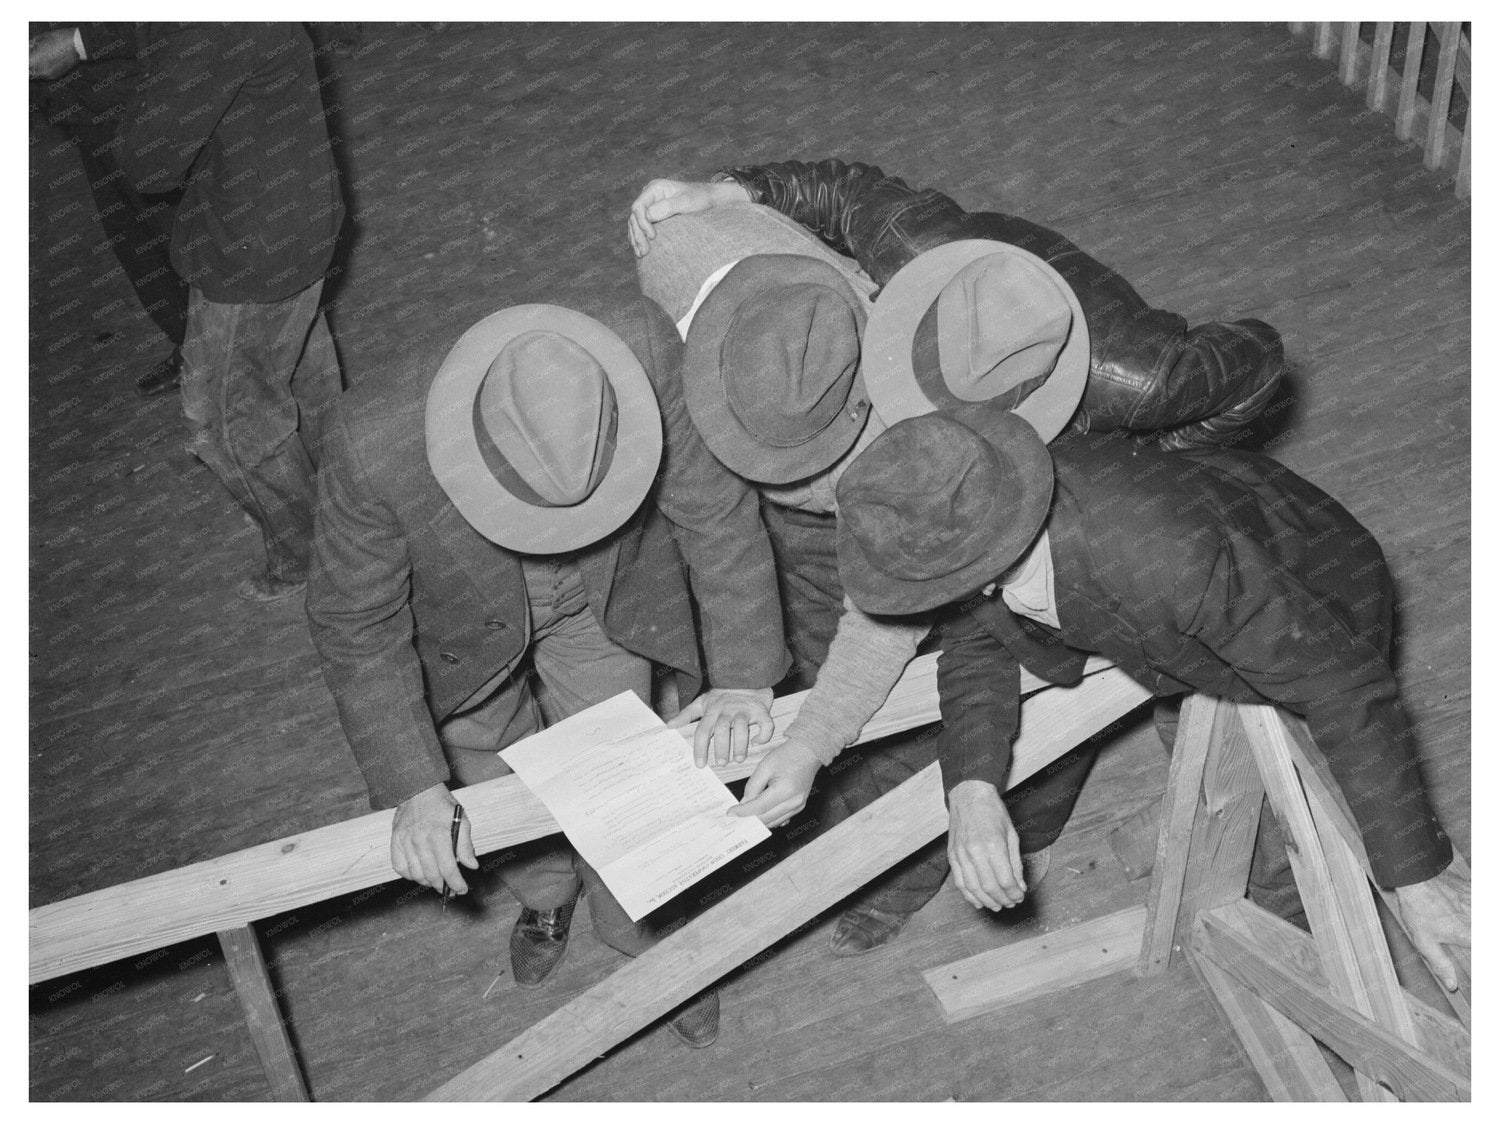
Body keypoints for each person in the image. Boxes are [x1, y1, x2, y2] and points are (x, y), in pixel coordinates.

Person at [815, 403, 1469, 991]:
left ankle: (1287, 935)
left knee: (1280, 822)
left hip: (1315, 588)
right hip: (1194, 612)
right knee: (1187, 728)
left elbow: (1344, 685)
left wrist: (1415, 874)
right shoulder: (985, 516)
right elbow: (977, 648)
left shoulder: (1170, 560)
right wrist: (972, 789)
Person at [639, 213, 1103, 954]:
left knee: (1016, 697)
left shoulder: (904, 448)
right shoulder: (681, 259)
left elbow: (885, 624)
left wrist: (814, 739)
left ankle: (949, 858)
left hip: (964, 527)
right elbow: (716, 517)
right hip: (849, 522)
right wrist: (731, 192)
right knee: (819, 658)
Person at [306, 302, 725, 1046]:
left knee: (614, 765)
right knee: (485, 777)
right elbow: (355, 623)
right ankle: (547, 892)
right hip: (455, 627)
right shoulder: (370, 440)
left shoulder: (643, 349)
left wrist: (744, 675)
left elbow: (715, 513)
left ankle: (644, 926)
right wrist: (413, 786)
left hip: (598, 594)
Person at [629, 157, 1285, 450]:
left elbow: (1262, 355)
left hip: (1101, 343)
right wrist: (730, 191)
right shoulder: (910, 240)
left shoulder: (1134, 381)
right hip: (974, 260)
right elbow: (845, 189)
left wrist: (1170, 450)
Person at [66, 23, 346, 601]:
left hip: (248, 251)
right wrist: (78, 43)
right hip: (302, 215)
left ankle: (309, 561)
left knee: (224, 426)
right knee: (308, 392)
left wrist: (119, 93)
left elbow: (146, 163)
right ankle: (359, 518)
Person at [29, 23, 189, 397]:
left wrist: (79, 42)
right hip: (82, 109)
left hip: (140, 96)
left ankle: (241, 356)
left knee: (184, 235)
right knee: (135, 241)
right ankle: (194, 346)